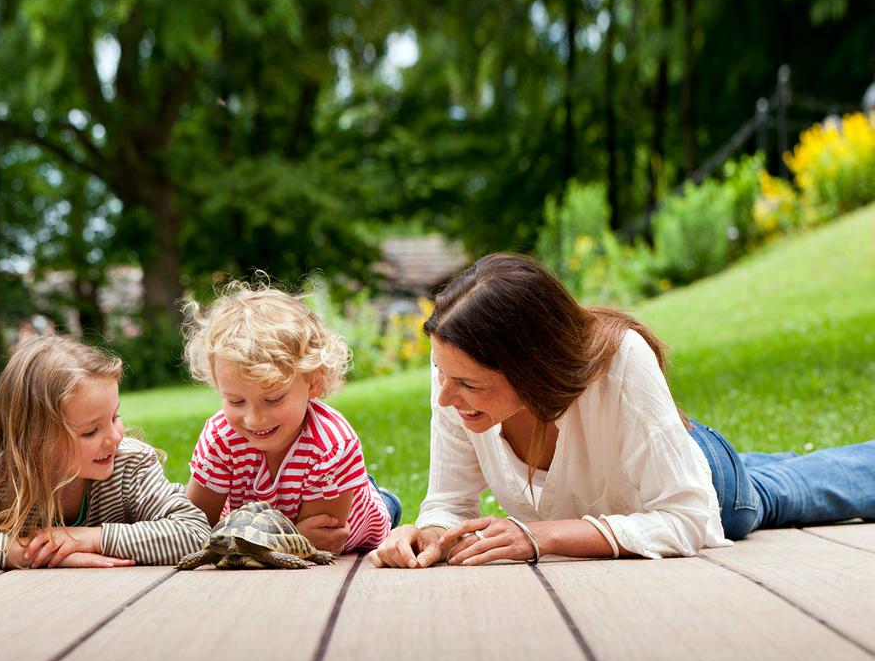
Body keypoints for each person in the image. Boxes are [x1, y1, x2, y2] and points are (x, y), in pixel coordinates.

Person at [369, 253, 875, 569]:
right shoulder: (458, 372)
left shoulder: (621, 362)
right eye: (444, 377)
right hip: (642, 471)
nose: (445, 398)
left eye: (466, 384)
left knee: (787, 490)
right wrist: (427, 535)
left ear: (530, 367)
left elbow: (687, 516)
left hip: (710, 482)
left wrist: (538, 537)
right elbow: (450, 503)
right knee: (769, 467)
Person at [0, 335, 209, 570]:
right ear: (35, 441)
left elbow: (194, 532)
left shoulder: (130, 464)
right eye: (90, 432)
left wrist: (89, 539)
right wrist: (47, 553)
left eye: (115, 417)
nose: (114, 437)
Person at [183, 281, 400, 554]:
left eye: (272, 399)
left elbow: (324, 540)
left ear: (313, 383)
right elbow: (192, 524)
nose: (254, 419)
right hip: (263, 524)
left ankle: (385, 498)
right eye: (235, 401)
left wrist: (277, 539)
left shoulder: (331, 445)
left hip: (359, 520)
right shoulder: (220, 436)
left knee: (381, 510)